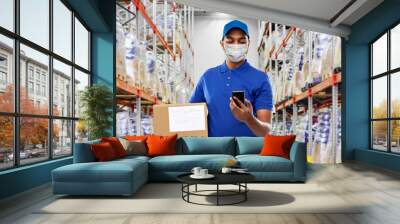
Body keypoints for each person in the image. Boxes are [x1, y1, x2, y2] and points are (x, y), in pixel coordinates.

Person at [189, 20, 273, 137]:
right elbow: (190, 115)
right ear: (222, 44)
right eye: (230, 41)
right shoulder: (207, 77)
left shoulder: (260, 78)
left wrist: (249, 119)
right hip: (216, 151)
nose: (236, 45)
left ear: (248, 44)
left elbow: (266, 131)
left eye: (242, 41)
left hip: (248, 153)